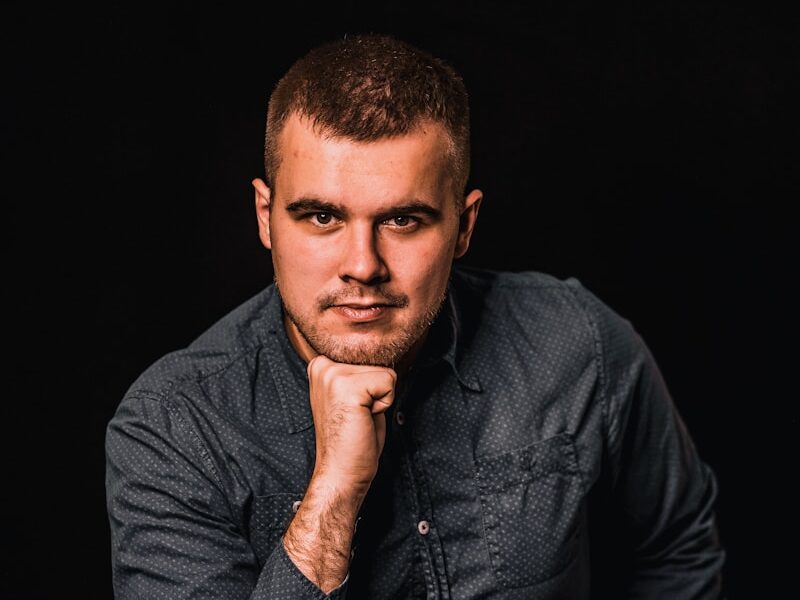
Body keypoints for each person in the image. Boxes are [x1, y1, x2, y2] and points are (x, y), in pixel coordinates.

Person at [105, 34, 725, 599]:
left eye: (403, 220)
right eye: (322, 217)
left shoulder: (576, 342)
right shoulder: (173, 428)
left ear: (465, 224)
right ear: (266, 217)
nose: (362, 265)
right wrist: (334, 494)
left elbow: (676, 549)